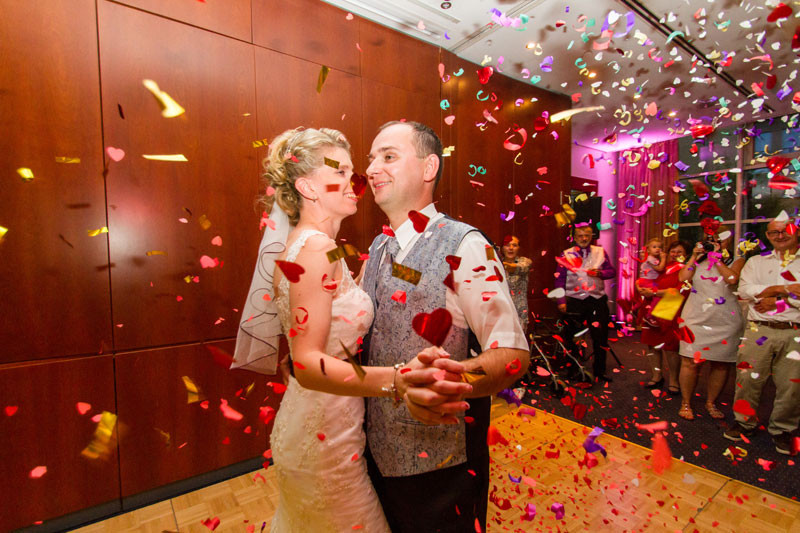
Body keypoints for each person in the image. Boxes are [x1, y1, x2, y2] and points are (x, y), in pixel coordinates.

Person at [230, 127, 473, 532]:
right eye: (339, 171)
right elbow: (307, 364)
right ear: (307, 186)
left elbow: (336, 312)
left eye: (351, 170)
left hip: (334, 421)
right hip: (323, 433)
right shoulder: (314, 250)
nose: (355, 180)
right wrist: (398, 379)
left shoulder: (322, 247)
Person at [361, 121, 530, 532]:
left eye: (388, 156)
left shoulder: (467, 246)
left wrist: (448, 382)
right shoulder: (378, 246)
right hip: (372, 454)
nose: (371, 169)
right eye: (371, 159)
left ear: (428, 167)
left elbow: (512, 356)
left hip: (440, 470)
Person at [723, 214, 800, 455]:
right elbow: (745, 291)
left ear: (795, 231)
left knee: (791, 386)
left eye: (784, 230)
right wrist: (785, 290)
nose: (780, 236)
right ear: (767, 236)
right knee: (747, 380)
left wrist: (774, 299)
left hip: (793, 332)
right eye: (774, 232)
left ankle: (782, 430)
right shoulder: (756, 262)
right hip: (758, 329)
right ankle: (744, 423)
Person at [676, 228, 745, 420]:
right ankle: (686, 402)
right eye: (711, 240)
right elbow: (683, 278)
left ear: (729, 242)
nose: (715, 243)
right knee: (689, 361)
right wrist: (694, 257)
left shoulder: (737, 260)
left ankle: (711, 402)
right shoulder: (698, 260)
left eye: (720, 241)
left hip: (725, 319)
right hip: (695, 317)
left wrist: (717, 259)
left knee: (721, 363)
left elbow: (732, 279)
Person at [554, 224, 616, 382]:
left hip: (597, 300)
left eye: (586, 235)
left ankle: (600, 371)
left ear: (591, 236)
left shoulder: (600, 252)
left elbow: (612, 272)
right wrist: (561, 301)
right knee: (572, 337)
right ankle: (573, 370)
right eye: (580, 235)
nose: (583, 238)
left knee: (600, 338)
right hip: (575, 300)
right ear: (575, 237)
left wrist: (601, 273)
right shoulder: (566, 254)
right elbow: (559, 279)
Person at [638, 240, 690, 393]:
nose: (675, 254)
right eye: (673, 251)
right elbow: (647, 278)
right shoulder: (662, 266)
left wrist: (654, 293)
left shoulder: (687, 270)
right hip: (651, 306)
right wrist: (640, 287)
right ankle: (656, 376)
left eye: (679, 252)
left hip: (670, 307)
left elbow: (680, 291)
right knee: (651, 343)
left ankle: (674, 380)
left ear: (686, 255)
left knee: (670, 346)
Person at [500, 235, 532, 333]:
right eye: (507, 245)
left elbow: (516, 268)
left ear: (518, 248)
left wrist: (497, 262)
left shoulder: (525, 261)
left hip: (519, 312)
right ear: (502, 248)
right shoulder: (496, 263)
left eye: (514, 245)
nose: (510, 248)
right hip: (501, 312)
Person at [634, 237, 666, 327]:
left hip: (648, 280)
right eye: (654, 247)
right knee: (658, 295)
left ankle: (635, 308)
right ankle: (649, 315)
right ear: (648, 249)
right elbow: (660, 268)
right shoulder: (650, 259)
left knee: (649, 298)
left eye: (659, 247)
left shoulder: (652, 258)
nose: (657, 249)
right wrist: (663, 258)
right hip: (648, 281)